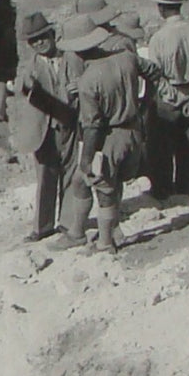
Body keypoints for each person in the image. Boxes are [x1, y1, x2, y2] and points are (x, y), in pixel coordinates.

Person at [50, 13, 145, 253]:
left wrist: (87, 157)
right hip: (132, 130)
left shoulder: (88, 80)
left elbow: (92, 125)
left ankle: (105, 243)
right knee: (81, 182)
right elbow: (152, 72)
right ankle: (77, 233)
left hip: (107, 138)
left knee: (103, 187)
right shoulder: (127, 57)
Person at [7, 11, 78, 239]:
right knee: (46, 177)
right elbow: (21, 87)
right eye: (33, 41)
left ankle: (67, 223)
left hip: (69, 125)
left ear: (52, 34)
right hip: (44, 129)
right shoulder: (31, 66)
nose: (39, 43)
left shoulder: (71, 58)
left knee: (70, 174)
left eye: (42, 37)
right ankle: (42, 227)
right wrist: (26, 86)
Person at [144, 0, 189, 199]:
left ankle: (163, 192)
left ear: (162, 8)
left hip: (168, 98)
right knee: (188, 145)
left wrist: (174, 97)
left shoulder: (158, 38)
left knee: (161, 147)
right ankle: (185, 189)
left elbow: (156, 75)